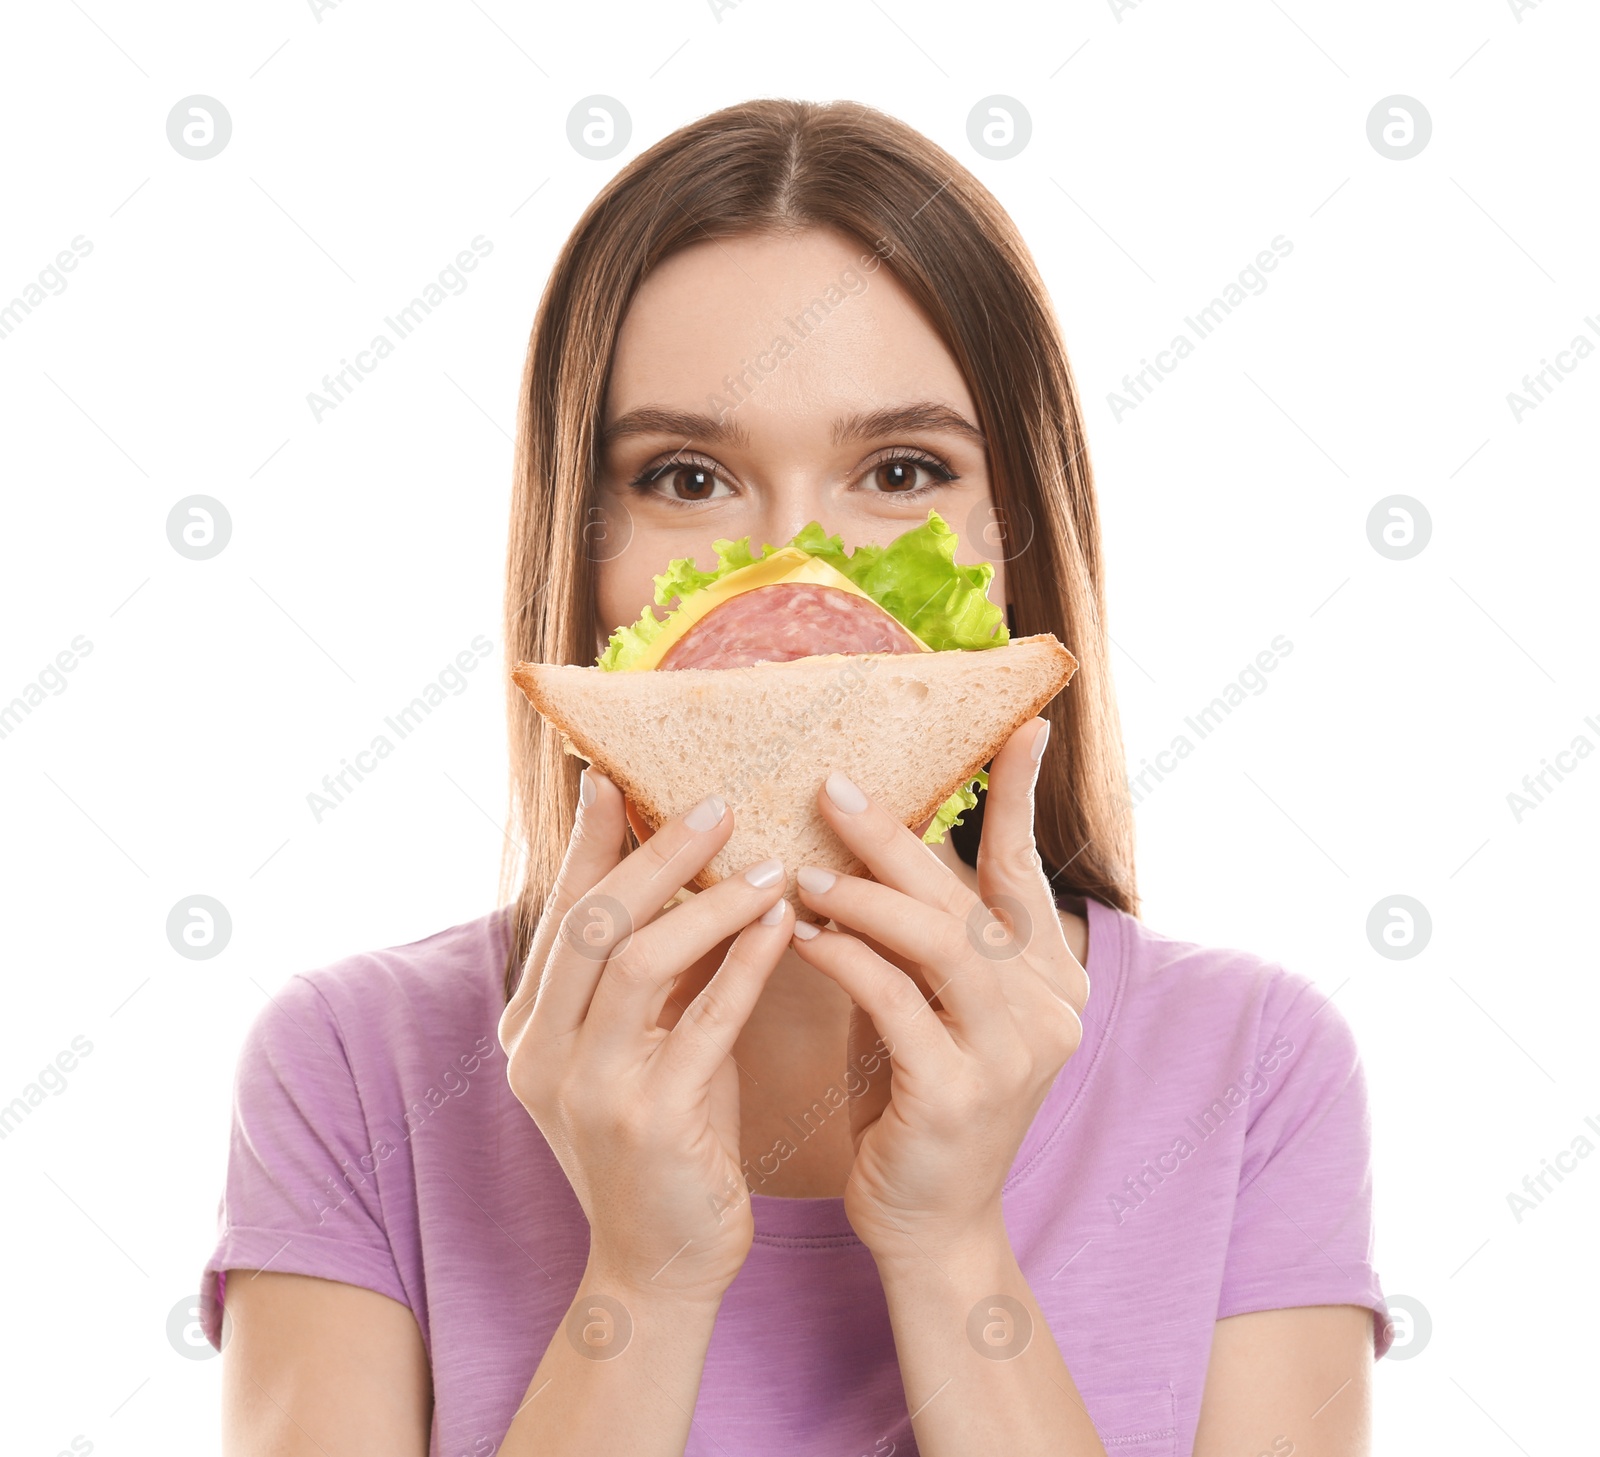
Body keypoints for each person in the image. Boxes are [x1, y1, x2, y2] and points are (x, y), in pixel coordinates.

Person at [202, 98, 1390, 1456]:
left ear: (1020, 548)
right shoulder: (352, 1068)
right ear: (576, 563)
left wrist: (952, 1251)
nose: (799, 575)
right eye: (688, 475)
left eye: (901, 468)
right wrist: (642, 1284)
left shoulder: (1254, 1068)